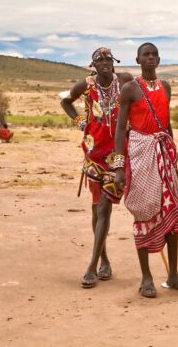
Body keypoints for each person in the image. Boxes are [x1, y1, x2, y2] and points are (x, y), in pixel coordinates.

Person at [113, 42, 178, 298]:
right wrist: (119, 166)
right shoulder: (129, 89)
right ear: (137, 59)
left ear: (159, 60)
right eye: (145, 54)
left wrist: (173, 161)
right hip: (139, 153)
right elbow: (120, 128)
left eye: (154, 54)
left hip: (163, 154)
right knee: (143, 211)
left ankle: (173, 275)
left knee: (170, 212)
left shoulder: (165, 87)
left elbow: (167, 126)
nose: (150, 58)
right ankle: (146, 277)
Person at [60, 47, 133, 288]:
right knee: (96, 209)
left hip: (117, 154)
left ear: (113, 62)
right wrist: (80, 120)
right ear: (93, 65)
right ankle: (103, 259)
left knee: (104, 208)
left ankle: (92, 265)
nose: (104, 62)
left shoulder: (124, 80)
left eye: (108, 59)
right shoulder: (86, 85)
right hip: (93, 153)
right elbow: (66, 101)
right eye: (99, 59)